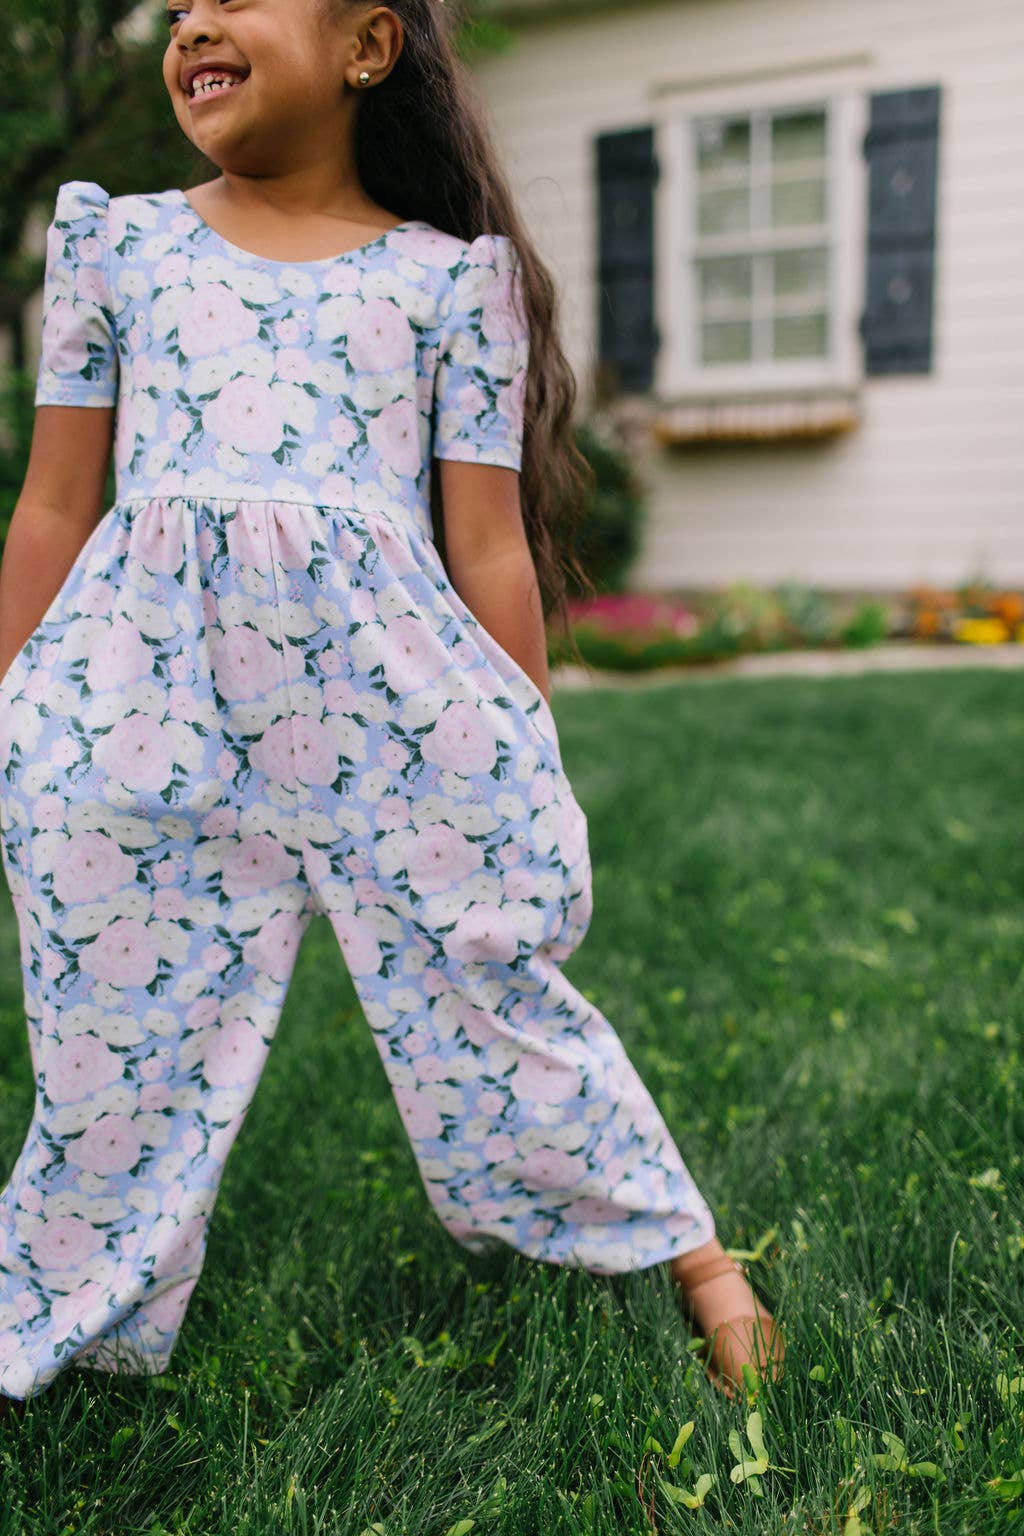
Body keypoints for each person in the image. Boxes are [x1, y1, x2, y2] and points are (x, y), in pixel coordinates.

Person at [0, 0, 783, 1411]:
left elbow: (482, 540)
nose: (194, 22)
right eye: (179, 6)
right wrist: (15, 705)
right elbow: (56, 500)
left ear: (368, 46)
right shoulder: (118, 244)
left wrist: (524, 742)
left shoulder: (444, 282)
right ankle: (72, 1304)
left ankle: (684, 1250)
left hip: (393, 720)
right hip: (141, 715)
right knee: (107, 1030)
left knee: (487, 987)